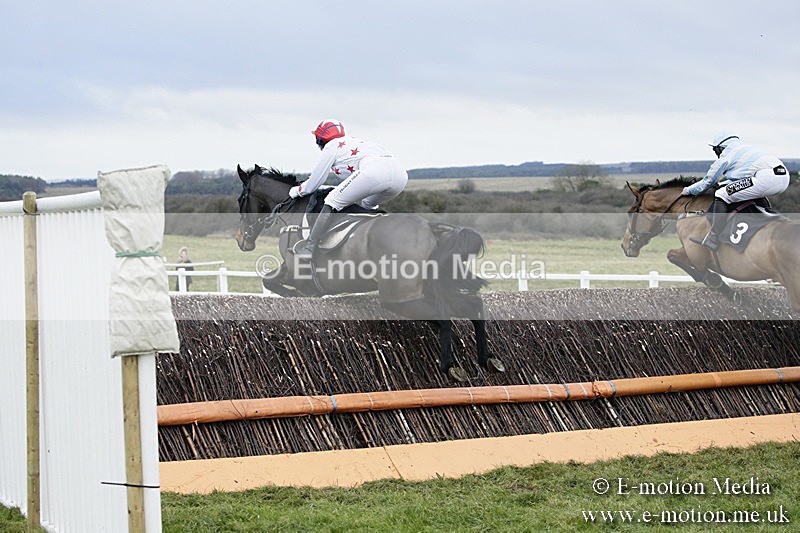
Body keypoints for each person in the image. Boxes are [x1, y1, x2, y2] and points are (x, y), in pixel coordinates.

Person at [289, 119, 408, 260]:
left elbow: (313, 183)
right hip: (401, 176)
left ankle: (309, 247)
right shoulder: (355, 142)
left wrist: (296, 191)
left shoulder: (331, 147)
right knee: (368, 205)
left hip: (375, 172)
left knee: (332, 200)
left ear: (320, 139)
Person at [682, 132, 789, 251]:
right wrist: (723, 184)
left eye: (715, 150)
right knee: (752, 192)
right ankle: (770, 215)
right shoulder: (745, 149)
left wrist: (688, 190)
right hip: (783, 178)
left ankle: (713, 238)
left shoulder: (726, 156)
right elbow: (741, 181)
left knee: (721, 194)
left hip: (766, 179)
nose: (716, 153)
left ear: (720, 148)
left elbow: (707, 182)